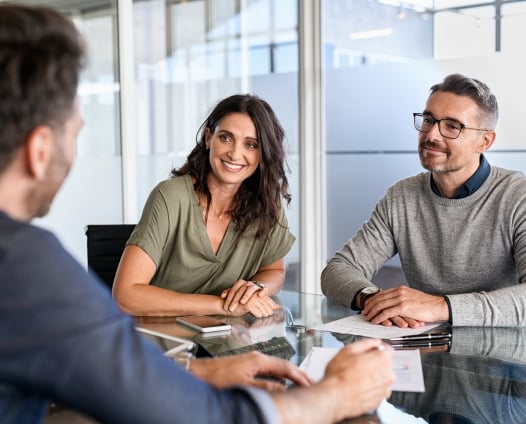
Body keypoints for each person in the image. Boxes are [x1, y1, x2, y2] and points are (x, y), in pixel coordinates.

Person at [0, 4, 395, 424]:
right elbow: (200, 414)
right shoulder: (23, 265)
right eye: (77, 132)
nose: (235, 153)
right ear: (40, 150)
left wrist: (202, 365)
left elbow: (101, 374)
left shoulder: (22, 268)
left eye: (251, 144)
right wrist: (334, 395)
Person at [321, 73, 526, 328]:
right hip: (422, 353)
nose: (432, 135)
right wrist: (373, 298)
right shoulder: (401, 196)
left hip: (502, 359)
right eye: (428, 120)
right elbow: (337, 270)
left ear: (484, 141)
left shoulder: (518, 197)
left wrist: (440, 306)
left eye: (452, 126)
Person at [113, 93, 295, 318]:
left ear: (263, 153)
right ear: (209, 138)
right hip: (160, 341)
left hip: (226, 341)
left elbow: (274, 270)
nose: (235, 153)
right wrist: (222, 306)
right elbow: (125, 295)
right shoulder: (170, 197)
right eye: (226, 138)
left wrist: (255, 289)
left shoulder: (267, 203)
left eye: (251, 144)